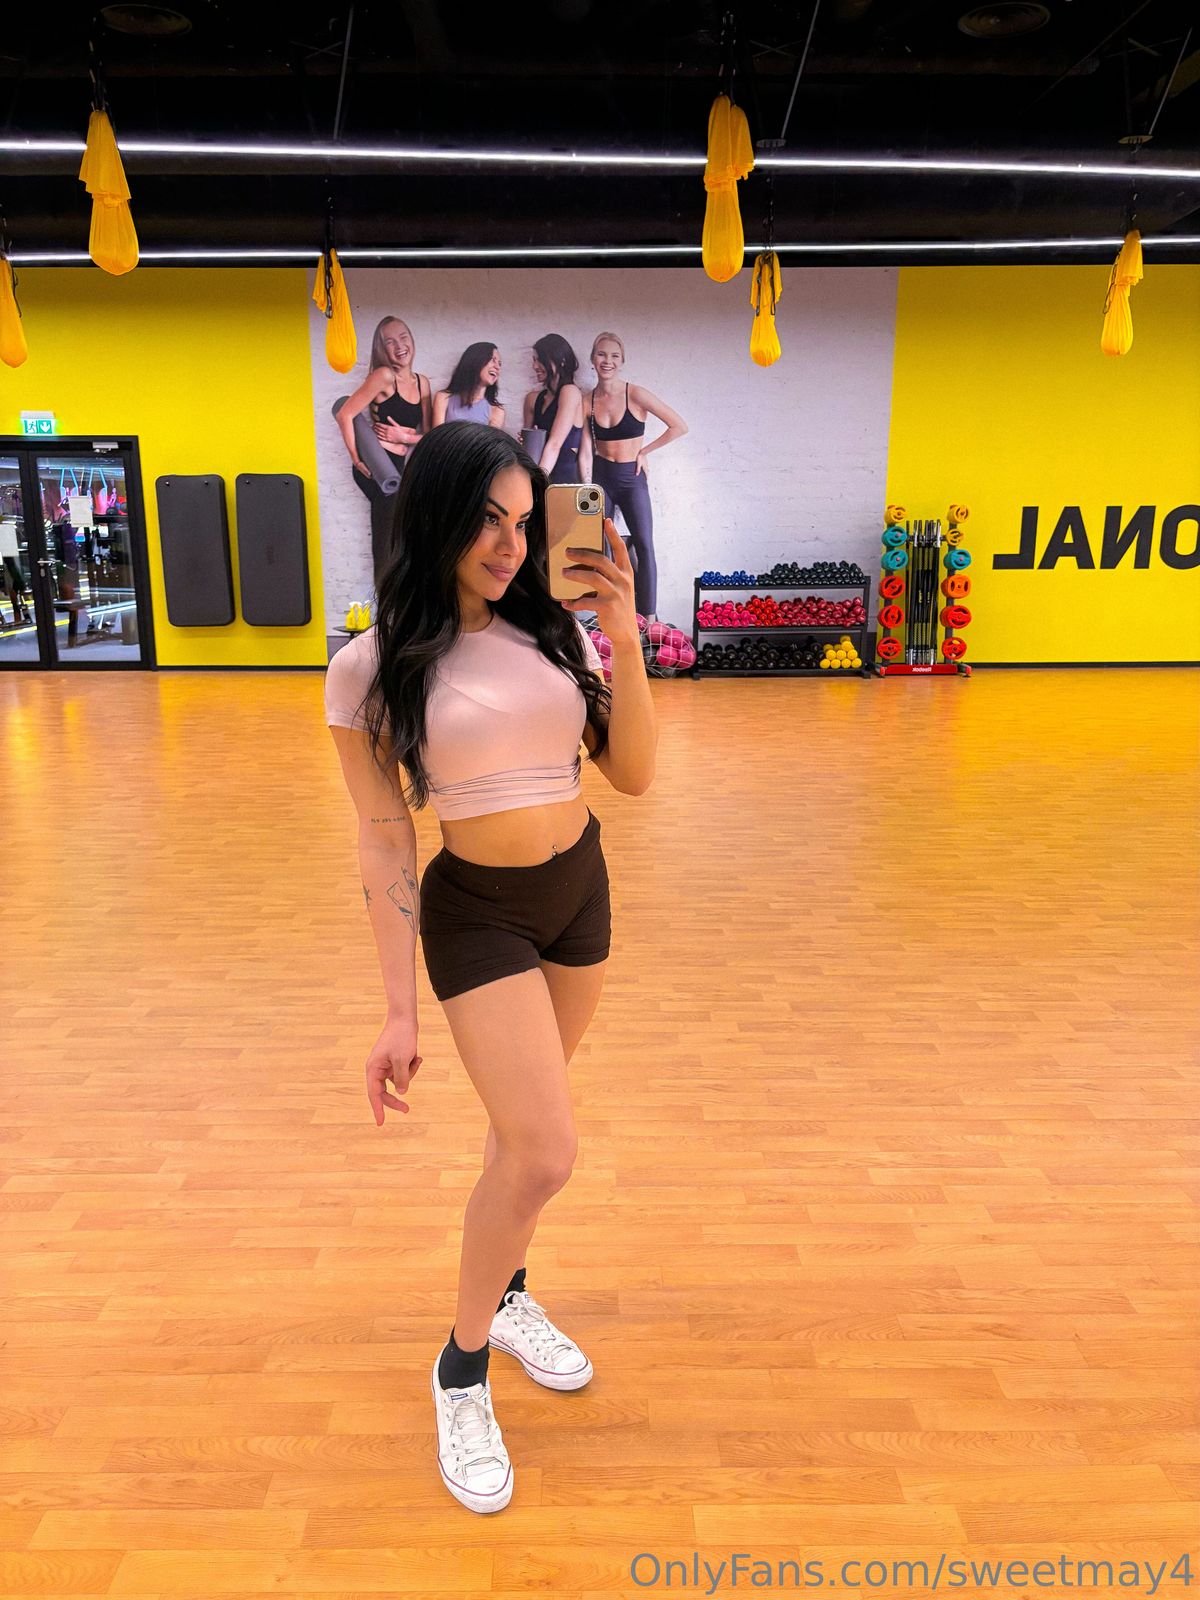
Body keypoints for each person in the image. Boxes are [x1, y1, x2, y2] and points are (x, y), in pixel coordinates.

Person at [323, 421, 657, 1515]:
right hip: (480, 918)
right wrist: (396, 1010)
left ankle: (507, 1297)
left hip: (580, 894)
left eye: (523, 521)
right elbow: (385, 838)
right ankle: (461, 1369)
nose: (512, 546)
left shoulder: (554, 634)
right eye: (487, 521)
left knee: (519, 1136)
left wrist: (622, 637)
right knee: (546, 1150)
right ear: (435, 516)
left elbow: (632, 774)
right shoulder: (369, 668)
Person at [578, 331, 688, 623]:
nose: (608, 361)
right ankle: (606, 612)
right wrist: (587, 486)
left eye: (614, 356)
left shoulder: (635, 394)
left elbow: (678, 426)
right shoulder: (587, 401)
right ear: (592, 359)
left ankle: (649, 618)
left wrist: (645, 451)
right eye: (601, 354)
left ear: (622, 360)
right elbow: (586, 449)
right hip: (601, 478)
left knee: (644, 543)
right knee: (597, 543)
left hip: (631, 477)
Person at [335, 317, 432, 581]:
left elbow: (431, 435)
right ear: (382, 349)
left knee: (401, 533)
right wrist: (357, 459)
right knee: (386, 538)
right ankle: (385, 597)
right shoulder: (384, 376)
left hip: (400, 467)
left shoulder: (422, 382)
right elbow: (345, 414)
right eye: (390, 342)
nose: (399, 346)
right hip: (377, 466)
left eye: (403, 337)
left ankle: (397, 592)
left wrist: (405, 436)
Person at [522, 333, 583, 483]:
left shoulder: (570, 392)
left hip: (562, 481)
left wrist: (537, 483)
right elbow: (526, 449)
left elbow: (555, 444)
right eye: (534, 360)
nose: (535, 366)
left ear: (561, 361)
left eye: (540, 360)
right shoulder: (532, 399)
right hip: (538, 472)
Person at [433, 343, 505, 430]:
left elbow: (491, 439)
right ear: (475, 361)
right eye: (493, 360)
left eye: (499, 364)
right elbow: (437, 436)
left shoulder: (497, 411)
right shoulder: (443, 398)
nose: (497, 367)